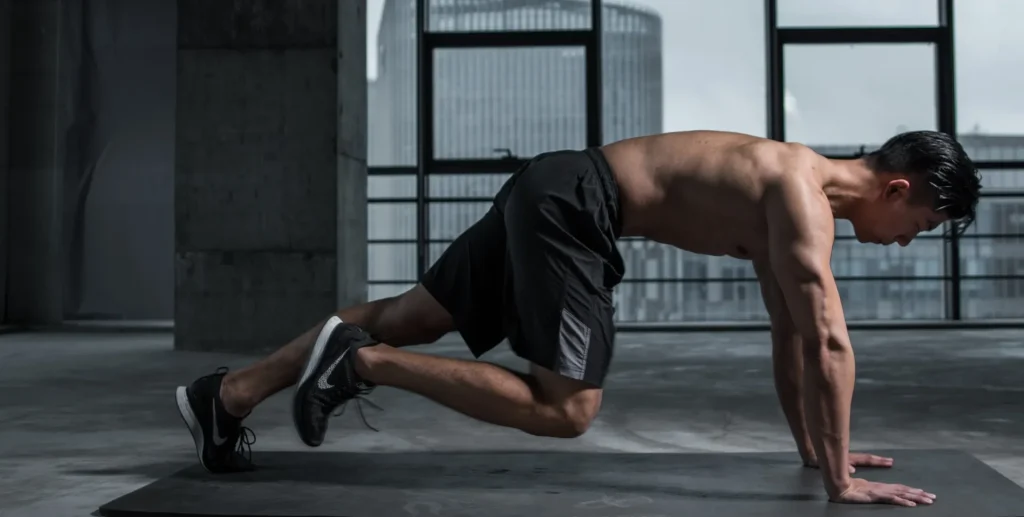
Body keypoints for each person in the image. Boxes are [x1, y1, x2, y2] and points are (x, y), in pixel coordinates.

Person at [174, 129, 980, 507]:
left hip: (556, 183)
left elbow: (792, 334)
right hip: (577, 206)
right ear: (898, 189)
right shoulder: (804, 203)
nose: (907, 242)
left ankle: (229, 395)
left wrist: (815, 450)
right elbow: (831, 341)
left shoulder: (791, 184)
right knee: (566, 408)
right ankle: (360, 364)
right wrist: (840, 483)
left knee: (409, 313)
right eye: (921, 227)